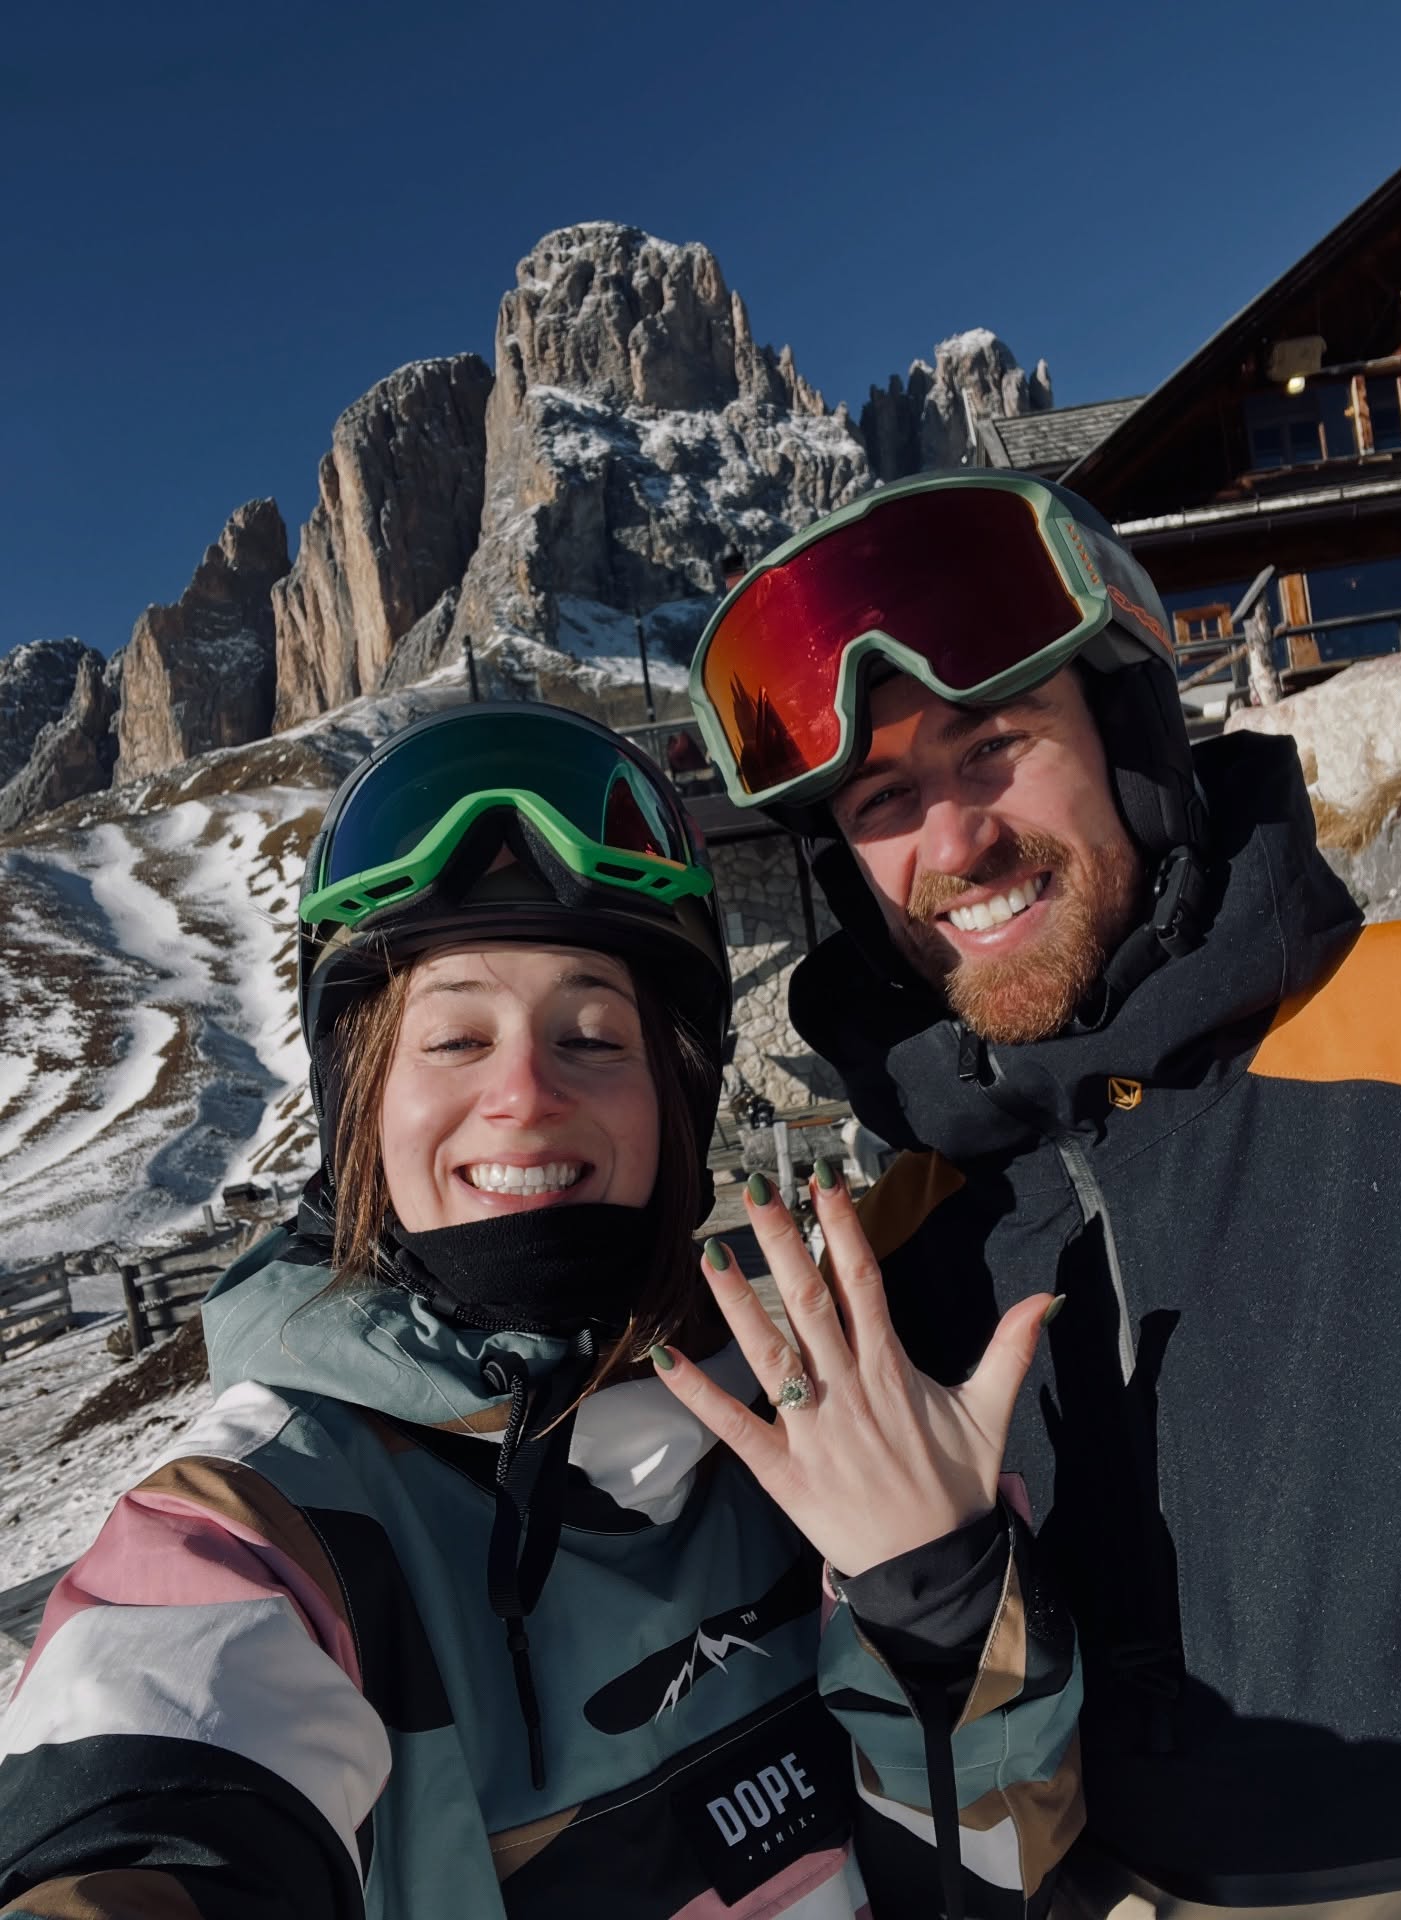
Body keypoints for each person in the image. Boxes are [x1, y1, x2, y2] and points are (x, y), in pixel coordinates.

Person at [0, 701, 1076, 1919]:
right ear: (362, 1107)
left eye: (593, 1034)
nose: (522, 1092)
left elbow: (994, 1886)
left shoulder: (816, 1419)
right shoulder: (276, 1527)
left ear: (677, 1097)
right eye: (454, 1037)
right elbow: (149, 1784)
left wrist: (934, 1597)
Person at [689, 473, 1401, 1920]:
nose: (956, 843)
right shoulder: (888, 1266)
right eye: (886, 801)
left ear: (1132, 740)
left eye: (995, 749)